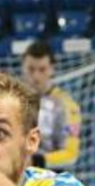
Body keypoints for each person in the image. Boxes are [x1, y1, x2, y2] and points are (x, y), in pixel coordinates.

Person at [20, 40, 82, 170]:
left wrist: (36, 161)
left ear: (52, 69)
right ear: (23, 68)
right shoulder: (10, 100)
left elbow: (71, 155)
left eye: (42, 69)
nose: (36, 76)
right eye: (31, 69)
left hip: (49, 176)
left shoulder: (68, 106)